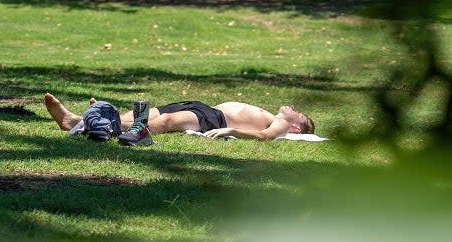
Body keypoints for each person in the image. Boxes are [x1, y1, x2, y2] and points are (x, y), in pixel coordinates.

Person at [44, 93, 315, 145]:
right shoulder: (274, 115)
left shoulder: (280, 125)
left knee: (170, 120)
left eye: (300, 115)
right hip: (204, 107)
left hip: (214, 118)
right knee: (148, 113)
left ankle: (107, 123)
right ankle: (77, 120)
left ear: (296, 127)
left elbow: (266, 137)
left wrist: (231, 130)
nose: (294, 107)